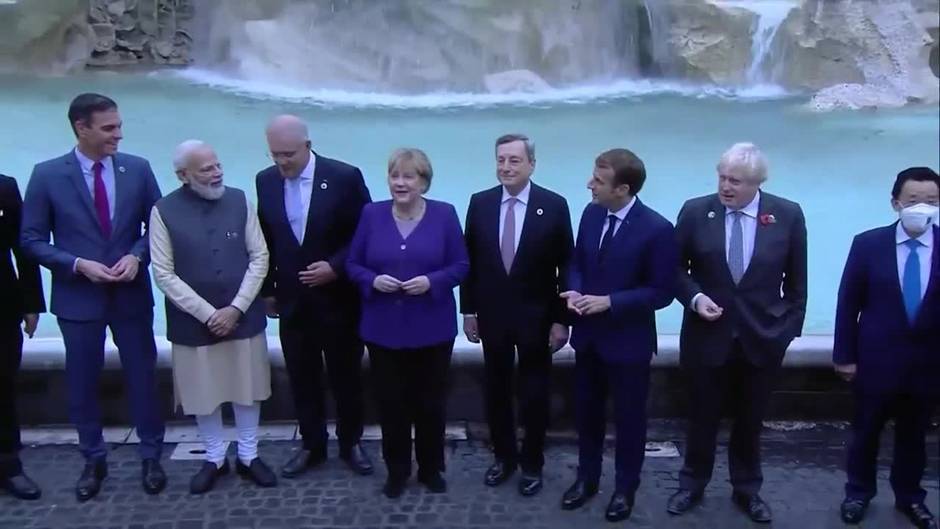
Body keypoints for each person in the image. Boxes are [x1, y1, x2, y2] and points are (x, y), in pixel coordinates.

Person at [20, 93, 166, 501]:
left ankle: (151, 456)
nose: (118, 135)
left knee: (144, 378)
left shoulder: (138, 169)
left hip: (131, 294)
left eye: (119, 126)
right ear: (81, 128)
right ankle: (93, 458)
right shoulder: (46, 175)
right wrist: (76, 264)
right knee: (81, 382)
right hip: (77, 298)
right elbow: (31, 240)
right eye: (108, 128)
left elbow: (157, 229)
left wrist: (138, 257)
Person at [668, 143, 807, 524]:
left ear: (758, 183)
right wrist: (695, 299)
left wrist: (786, 331)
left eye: (736, 181)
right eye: (722, 178)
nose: (726, 187)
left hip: (761, 338)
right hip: (706, 336)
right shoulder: (696, 211)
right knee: (700, 417)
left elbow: (797, 283)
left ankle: (747, 489)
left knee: (750, 420)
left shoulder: (787, 215)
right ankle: (691, 484)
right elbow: (675, 269)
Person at [150, 140, 276, 494]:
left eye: (217, 165)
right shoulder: (162, 211)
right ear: (183, 175)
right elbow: (163, 273)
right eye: (206, 169)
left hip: (243, 315)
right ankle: (215, 456)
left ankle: (249, 455)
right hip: (193, 322)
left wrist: (236, 307)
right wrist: (208, 314)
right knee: (202, 391)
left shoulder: (239, 200)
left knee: (247, 388)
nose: (217, 172)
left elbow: (260, 257)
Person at [559, 148, 677, 522]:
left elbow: (661, 292)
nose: (589, 184)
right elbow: (577, 261)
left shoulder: (657, 229)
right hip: (589, 338)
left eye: (598, 180)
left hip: (628, 344)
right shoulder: (591, 214)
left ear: (622, 188)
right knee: (587, 414)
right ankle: (587, 479)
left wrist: (610, 302)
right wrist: (575, 291)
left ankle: (625, 488)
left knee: (629, 420)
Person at [346, 148, 469, 499]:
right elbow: (353, 264)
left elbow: (461, 265)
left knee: (430, 404)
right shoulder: (371, 214)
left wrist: (432, 282)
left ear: (423, 182)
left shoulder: (445, 215)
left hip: (431, 329)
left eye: (408, 176)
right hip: (383, 329)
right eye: (395, 176)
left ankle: (431, 468)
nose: (400, 183)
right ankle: (397, 471)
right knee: (391, 404)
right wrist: (372, 280)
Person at [255, 115, 373, 477]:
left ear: (307, 145)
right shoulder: (265, 181)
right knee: (301, 377)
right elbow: (266, 239)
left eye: (288, 154)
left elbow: (366, 232)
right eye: (275, 154)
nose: (281, 162)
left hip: (339, 300)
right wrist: (268, 290)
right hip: (293, 302)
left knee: (346, 376)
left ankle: (351, 443)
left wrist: (335, 267)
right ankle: (312, 445)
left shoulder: (344, 177)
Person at [461, 133, 573, 496]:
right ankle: (503, 456)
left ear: (531, 165)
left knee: (534, 393)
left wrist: (561, 319)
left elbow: (565, 267)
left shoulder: (554, 205)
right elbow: (470, 263)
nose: (505, 167)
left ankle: (532, 462)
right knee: (496, 390)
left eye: (514, 160)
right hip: (492, 315)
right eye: (501, 160)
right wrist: (469, 311)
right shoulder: (480, 203)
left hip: (536, 317)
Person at [833, 167, 939, 529]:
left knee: (914, 438)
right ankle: (858, 493)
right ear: (895, 203)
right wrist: (844, 356)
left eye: (931, 201)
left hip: (927, 364)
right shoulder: (868, 245)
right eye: (913, 200)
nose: (921, 207)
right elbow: (848, 303)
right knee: (865, 433)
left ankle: (910, 497)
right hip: (876, 360)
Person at [0, 174, 45, 500]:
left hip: (2, 306)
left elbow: (23, 247)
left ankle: (9, 465)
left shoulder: (4, 187)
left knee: (2, 387)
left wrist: (31, 305)